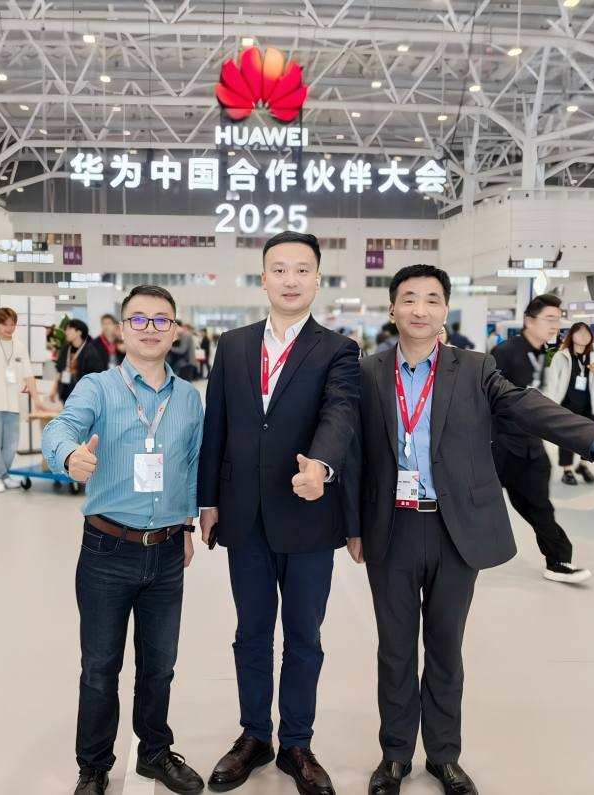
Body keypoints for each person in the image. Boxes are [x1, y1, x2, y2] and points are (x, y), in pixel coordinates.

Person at [347, 266, 594, 795]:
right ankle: (395, 755)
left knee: (445, 647)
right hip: (390, 528)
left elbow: (527, 407)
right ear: (392, 310)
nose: (419, 308)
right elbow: (353, 452)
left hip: (455, 529)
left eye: (431, 299)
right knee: (395, 649)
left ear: (445, 311)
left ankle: (443, 756)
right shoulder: (368, 372)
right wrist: (353, 526)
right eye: (408, 298)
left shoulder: (475, 368)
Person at [198, 231, 360, 795]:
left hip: (308, 514)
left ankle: (296, 742)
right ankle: (253, 735)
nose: (290, 280)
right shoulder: (233, 345)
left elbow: (341, 414)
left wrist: (321, 465)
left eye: (302, 270)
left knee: (304, 636)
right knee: (251, 633)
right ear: (263, 277)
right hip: (243, 516)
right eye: (280, 269)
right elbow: (216, 424)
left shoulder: (338, 350)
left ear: (318, 278)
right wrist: (208, 499)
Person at [42, 286, 205, 795]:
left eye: (161, 320)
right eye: (138, 319)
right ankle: (93, 766)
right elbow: (59, 428)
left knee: (160, 666)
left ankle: (155, 752)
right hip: (107, 550)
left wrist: (186, 527)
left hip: (167, 550)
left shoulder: (188, 398)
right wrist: (69, 456)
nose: (149, 329)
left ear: (175, 330)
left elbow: (191, 467)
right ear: (121, 329)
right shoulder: (97, 387)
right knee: (100, 667)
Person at [489, 294, 594, 584]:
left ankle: (558, 561)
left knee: (539, 506)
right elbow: (485, 399)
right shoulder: (505, 353)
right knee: (472, 503)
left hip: (530, 445)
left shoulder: (549, 354)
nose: (554, 325)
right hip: (498, 445)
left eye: (558, 320)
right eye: (549, 319)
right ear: (528, 320)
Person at [0, 307, 46, 493]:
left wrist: (37, 399)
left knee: (11, 444)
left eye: (13, 324)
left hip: (13, 403)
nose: (10, 328)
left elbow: (29, 375)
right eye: (6, 325)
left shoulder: (19, 346)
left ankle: (5, 475)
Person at [544, 322, 594, 486]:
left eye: (586, 333)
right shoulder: (561, 355)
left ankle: (583, 465)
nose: (583, 336)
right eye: (579, 333)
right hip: (567, 404)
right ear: (571, 336)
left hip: (590, 403)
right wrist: (551, 404)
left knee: (591, 437)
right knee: (566, 438)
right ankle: (567, 470)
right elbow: (552, 381)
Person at [50, 318, 106, 405]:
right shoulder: (66, 349)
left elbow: (96, 376)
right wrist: (54, 390)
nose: (66, 332)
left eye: (69, 329)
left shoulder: (90, 351)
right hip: (66, 394)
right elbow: (59, 370)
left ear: (79, 332)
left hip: (84, 396)